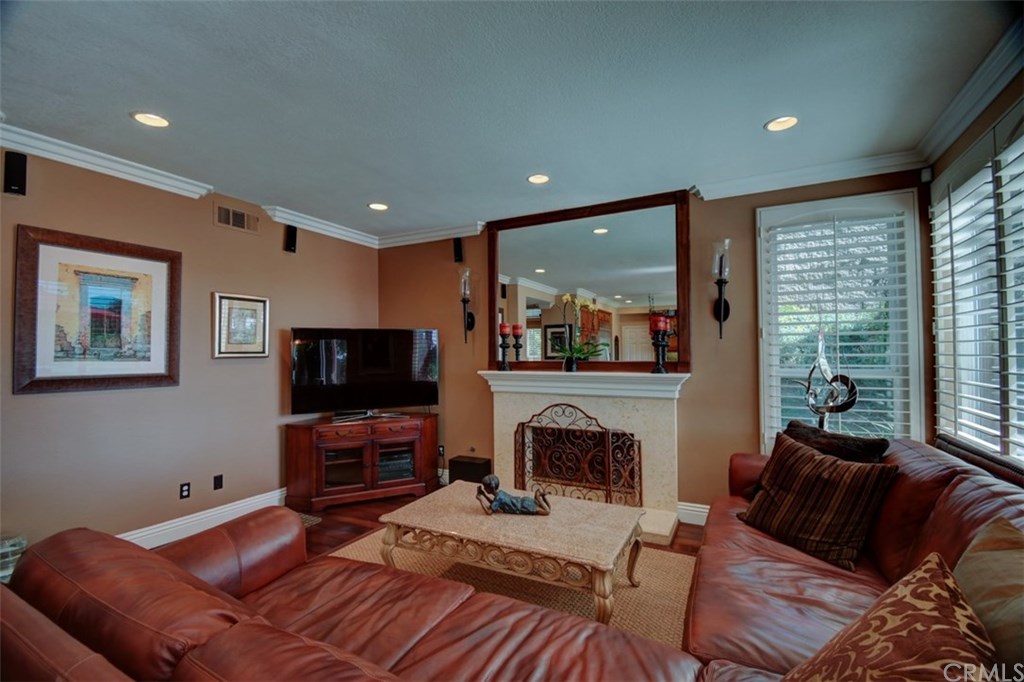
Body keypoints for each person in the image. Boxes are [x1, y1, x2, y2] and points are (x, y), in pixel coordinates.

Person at [475, 474, 550, 515]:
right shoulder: (499, 493)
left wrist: (481, 500)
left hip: (524, 506)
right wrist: (484, 495)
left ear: (492, 488)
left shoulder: (498, 497)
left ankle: (537, 495)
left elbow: (489, 512)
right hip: (523, 501)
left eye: (485, 487)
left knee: (547, 512)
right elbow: (493, 504)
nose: (484, 489)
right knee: (543, 508)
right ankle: (539, 496)